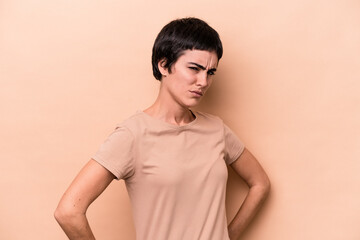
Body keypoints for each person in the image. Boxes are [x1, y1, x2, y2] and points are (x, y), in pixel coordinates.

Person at [54, 17, 270, 240]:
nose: (203, 81)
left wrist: (228, 236)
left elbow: (260, 183)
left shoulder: (217, 129)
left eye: (210, 72)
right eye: (194, 69)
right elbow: (68, 212)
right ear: (164, 65)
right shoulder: (133, 134)